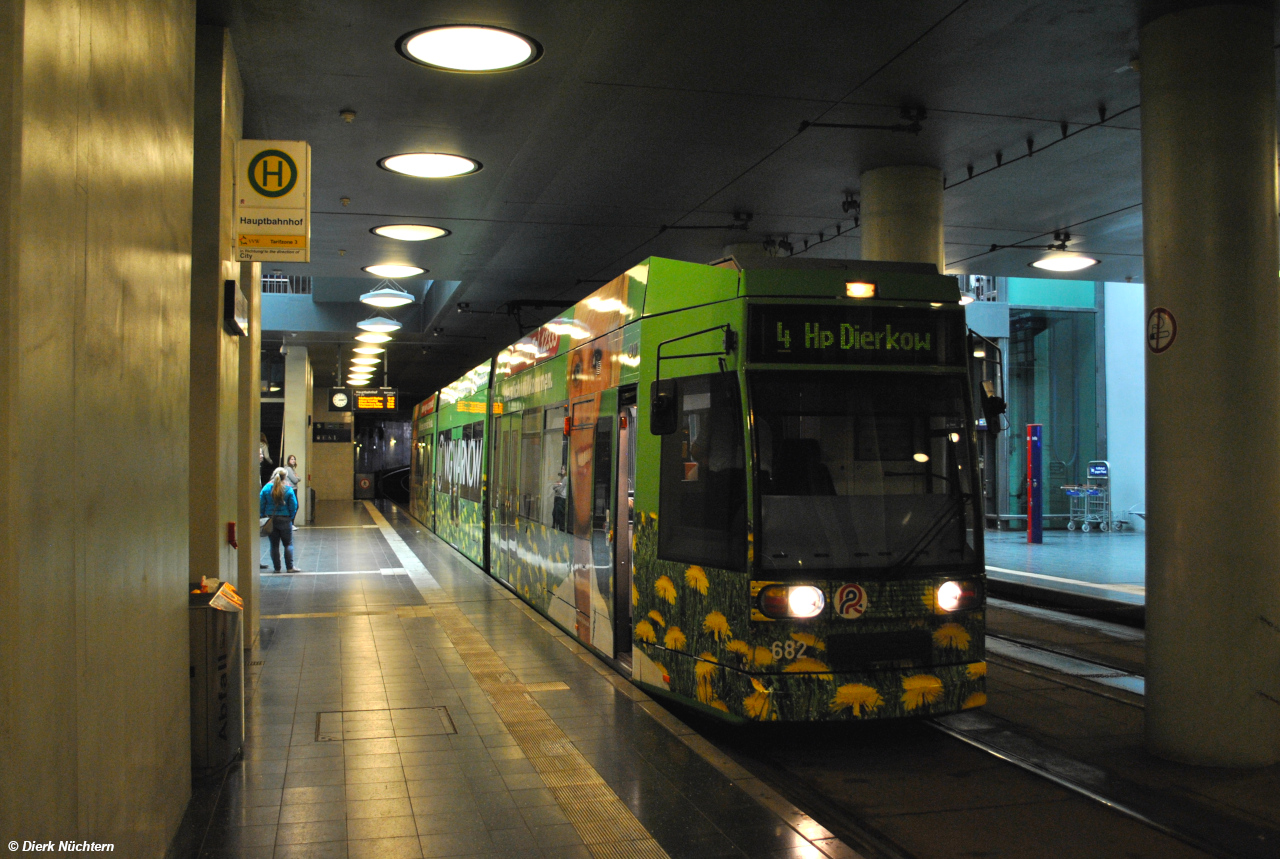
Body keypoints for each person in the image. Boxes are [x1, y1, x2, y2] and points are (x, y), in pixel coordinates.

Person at [260, 467, 300, 573]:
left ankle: (277, 568)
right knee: (288, 544)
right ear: (285, 477)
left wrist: (262, 516)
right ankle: (290, 567)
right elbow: (294, 505)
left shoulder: (266, 488)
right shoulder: (288, 489)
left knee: (274, 545)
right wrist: (290, 517)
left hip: (271, 520)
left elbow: (261, 503)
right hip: (285, 519)